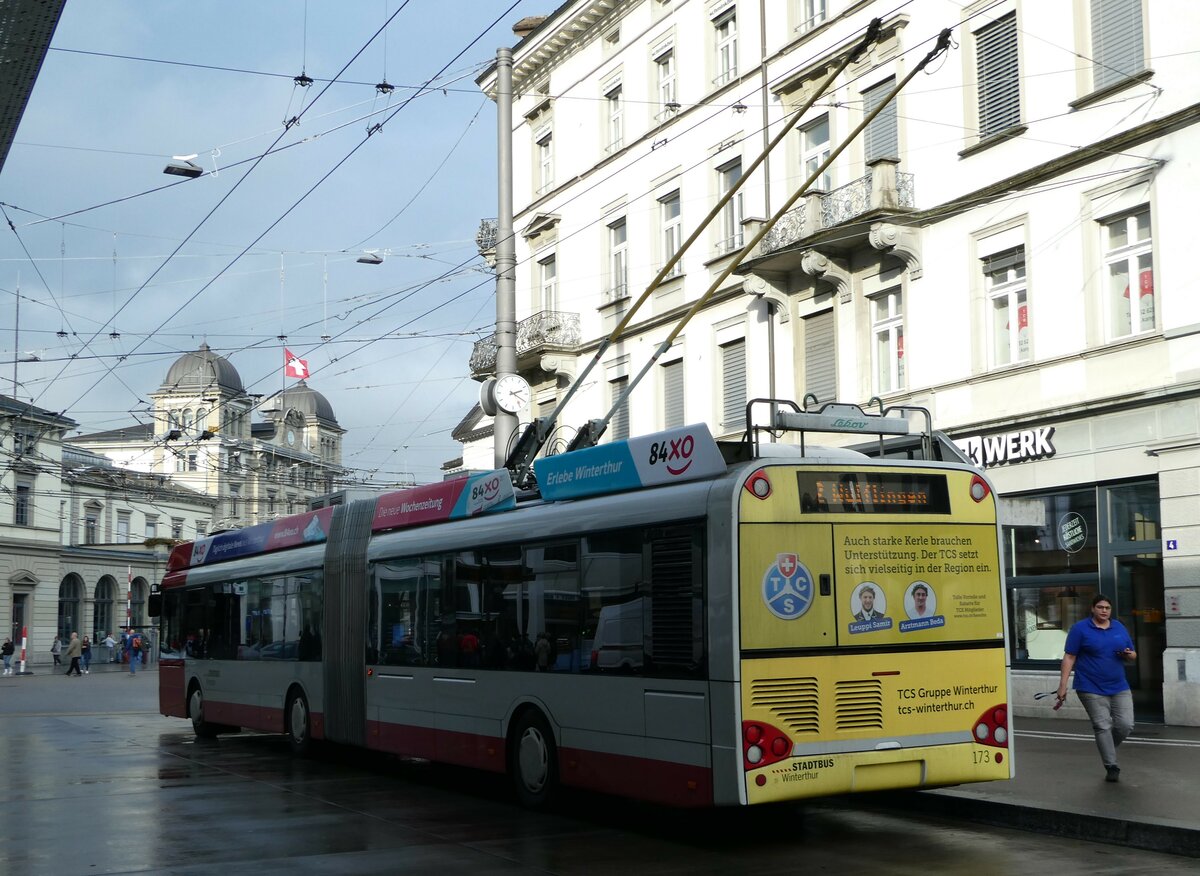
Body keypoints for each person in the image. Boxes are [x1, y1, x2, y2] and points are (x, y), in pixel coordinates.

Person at [1056, 594, 1137, 783]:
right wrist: (1062, 686)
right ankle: (1111, 766)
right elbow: (1069, 657)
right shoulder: (1080, 629)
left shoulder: (1119, 627)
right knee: (1102, 726)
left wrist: (1128, 655)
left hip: (1119, 685)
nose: (1104, 611)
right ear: (1093, 609)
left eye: (1107, 608)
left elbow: (1133, 654)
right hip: (1090, 686)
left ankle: (1106, 746)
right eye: (1100, 607)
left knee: (1126, 725)